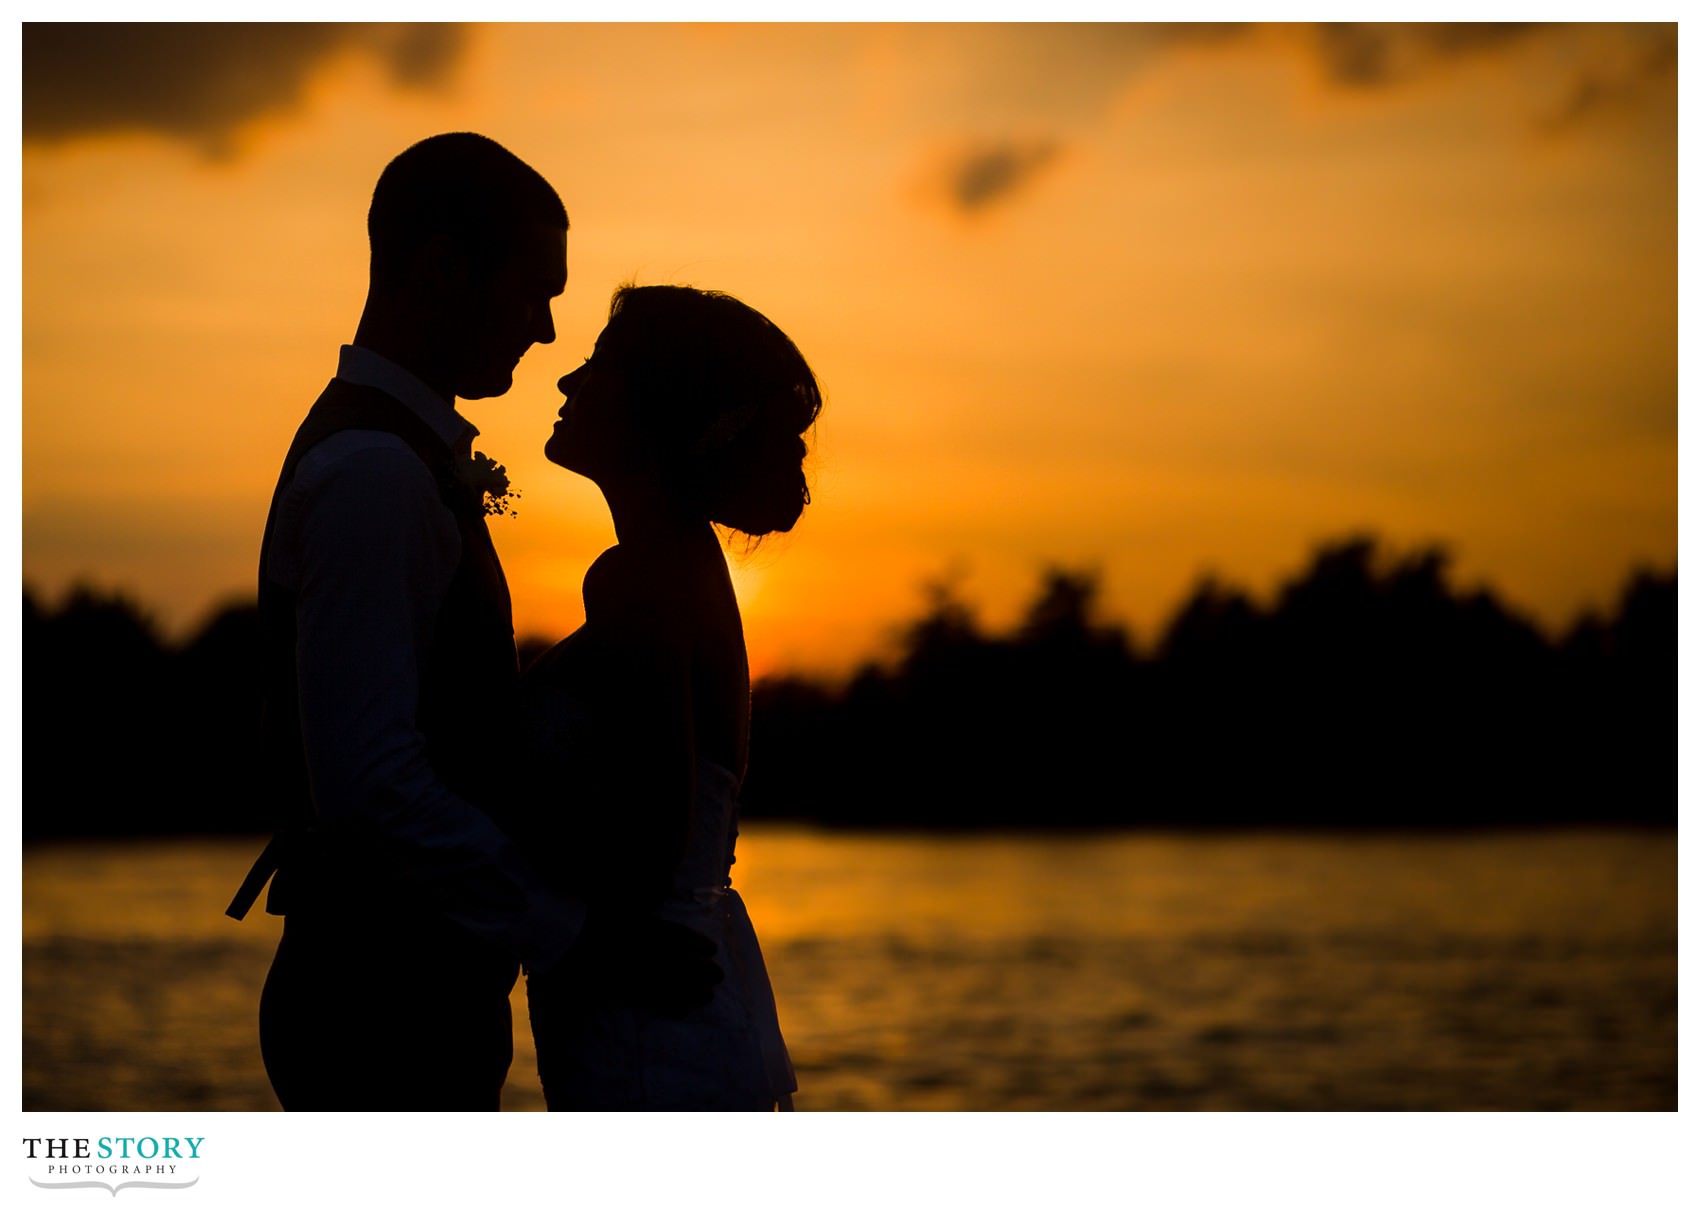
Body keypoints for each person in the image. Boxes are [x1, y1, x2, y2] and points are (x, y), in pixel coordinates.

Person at [225, 134, 717, 1111]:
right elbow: (370, 785)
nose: (543, 330)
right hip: (378, 1006)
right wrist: (576, 930)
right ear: (444, 267)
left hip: (411, 991)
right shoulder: (374, 474)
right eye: (534, 289)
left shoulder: (395, 457)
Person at [516, 284, 821, 1110]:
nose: (566, 382)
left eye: (600, 364)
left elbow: (647, 840)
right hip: (672, 986)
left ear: (659, 403)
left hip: (649, 1007)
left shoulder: (640, 580)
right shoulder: (675, 569)